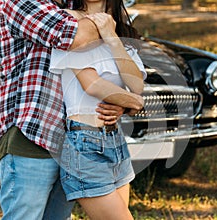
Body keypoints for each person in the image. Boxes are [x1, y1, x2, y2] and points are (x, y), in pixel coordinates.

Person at [0, 0, 126, 219]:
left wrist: (118, 102)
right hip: (32, 137)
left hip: (75, 143)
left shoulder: (73, 3)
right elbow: (76, 36)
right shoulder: (20, 1)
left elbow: (103, 64)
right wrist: (107, 23)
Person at [49, 0, 146, 219]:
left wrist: (111, 38)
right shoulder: (69, 22)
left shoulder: (119, 34)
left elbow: (137, 85)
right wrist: (134, 102)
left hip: (115, 140)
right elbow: (92, 84)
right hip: (84, 143)